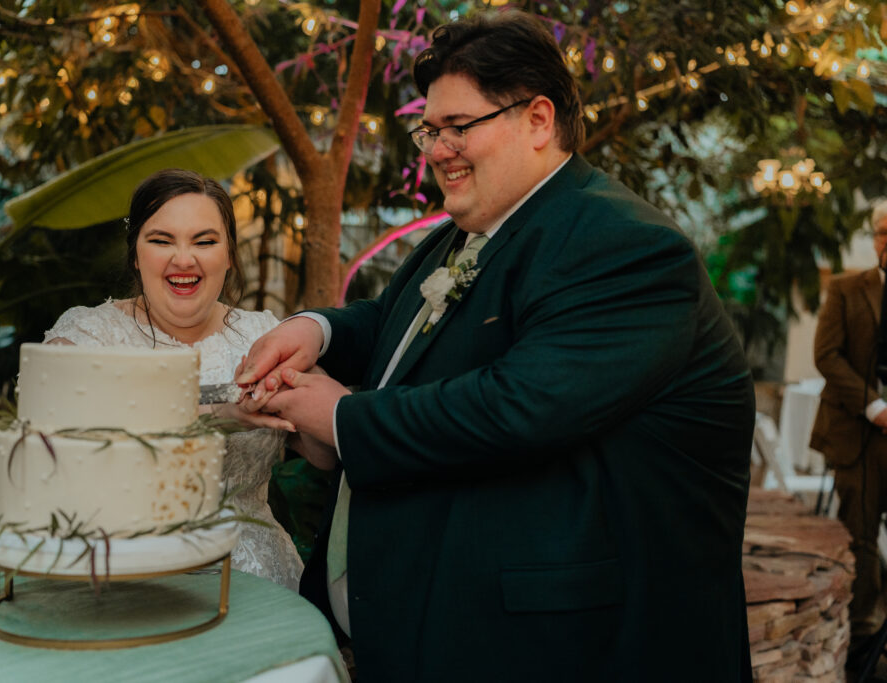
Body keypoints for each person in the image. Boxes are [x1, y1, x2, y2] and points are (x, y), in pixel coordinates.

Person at [234, 11, 756, 681]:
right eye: (431, 128)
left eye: (459, 126)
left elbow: (518, 405)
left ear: (539, 120)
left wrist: (340, 417)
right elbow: (396, 328)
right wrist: (317, 329)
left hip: (576, 649)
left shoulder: (626, 246)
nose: (436, 148)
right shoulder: (464, 234)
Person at [43, 168, 307, 590]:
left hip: (256, 581)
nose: (184, 260)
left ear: (229, 254)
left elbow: (324, 449)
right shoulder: (86, 335)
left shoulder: (269, 337)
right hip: (120, 581)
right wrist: (217, 412)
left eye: (204, 241)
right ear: (135, 254)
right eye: (161, 240)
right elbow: (54, 435)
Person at [810, 197, 887, 661]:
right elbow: (826, 356)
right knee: (858, 536)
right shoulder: (846, 288)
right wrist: (874, 407)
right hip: (859, 434)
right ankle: (860, 643)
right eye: (883, 232)